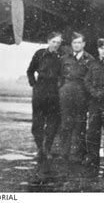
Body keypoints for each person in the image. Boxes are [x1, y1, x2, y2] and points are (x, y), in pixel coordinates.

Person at [26, 32, 63, 163]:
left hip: (54, 92)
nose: (56, 45)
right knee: (37, 123)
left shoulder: (61, 57)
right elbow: (30, 71)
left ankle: (47, 148)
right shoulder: (39, 54)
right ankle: (39, 148)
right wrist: (34, 84)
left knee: (53, 123)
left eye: (58, 43)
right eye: (54, 41)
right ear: (48, 41)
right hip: (40, 91)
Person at [83, 38, 104, 176]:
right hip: (94, 102)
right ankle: (93, 157)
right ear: (98, 49)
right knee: (92, 131)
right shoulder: (92, 63)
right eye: (102, 48)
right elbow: (87, 80)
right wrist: (93, 92)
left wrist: (103, 92)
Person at [59, 32, 94, 163]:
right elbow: (59, 76)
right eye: (74, 43)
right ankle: (64, 153)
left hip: (81, 93)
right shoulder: (64, 59)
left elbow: (91, 78)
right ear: (71, 44)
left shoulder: (90, 60)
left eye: (79, 42)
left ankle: (78, 154)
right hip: (66, 93)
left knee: (80, 124)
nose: (77, 45)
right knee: (65, 123)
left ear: (83, 44)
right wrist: (61, 90)